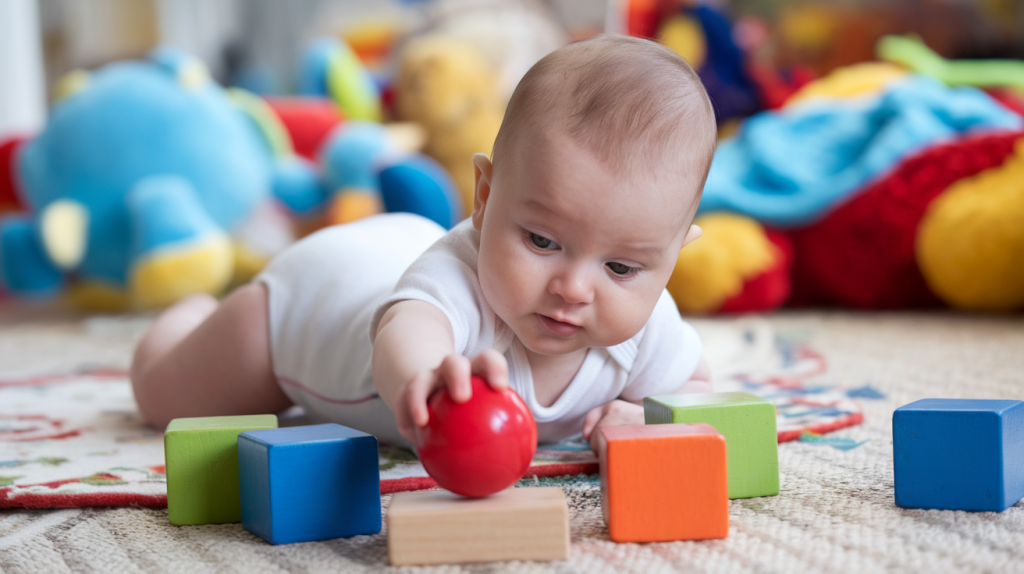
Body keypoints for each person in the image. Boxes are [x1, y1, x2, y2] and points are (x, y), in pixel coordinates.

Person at [130, 34, 718, 452]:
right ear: (484, 199)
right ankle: (188, 317)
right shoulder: (457, 280)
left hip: (390, 252)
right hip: (311, 300)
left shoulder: (644, 330)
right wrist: (427, 377)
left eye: (620, 267)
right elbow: (407, 331)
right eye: (542, 240)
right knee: (169, 400)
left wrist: (645, 415)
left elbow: (694, 387)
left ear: (670, 258)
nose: (573, 286)